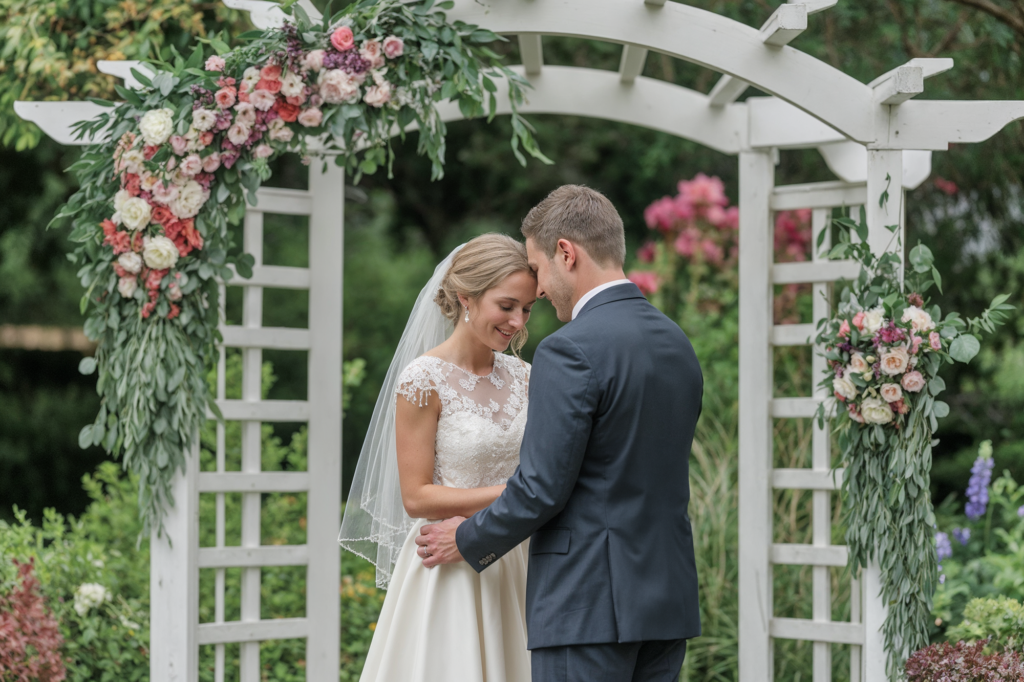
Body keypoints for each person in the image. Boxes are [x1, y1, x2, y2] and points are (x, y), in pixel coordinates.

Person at [416, 185, 705, 682]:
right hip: (667, 603)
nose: (540, 289)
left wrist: (467, 538)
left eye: (539, 267)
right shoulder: (676, 342)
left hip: (587, 605)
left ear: (566, 253)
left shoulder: (570, 350)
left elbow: (541, 487)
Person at [339, 233, 538, 682]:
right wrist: (516, 495)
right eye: (506, 306)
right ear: (466, 297)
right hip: (450, 561)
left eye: (526, 309)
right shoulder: (422, 379)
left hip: (518, 557)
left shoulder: (527, 376)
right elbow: (416, 496)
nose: (517, 322)